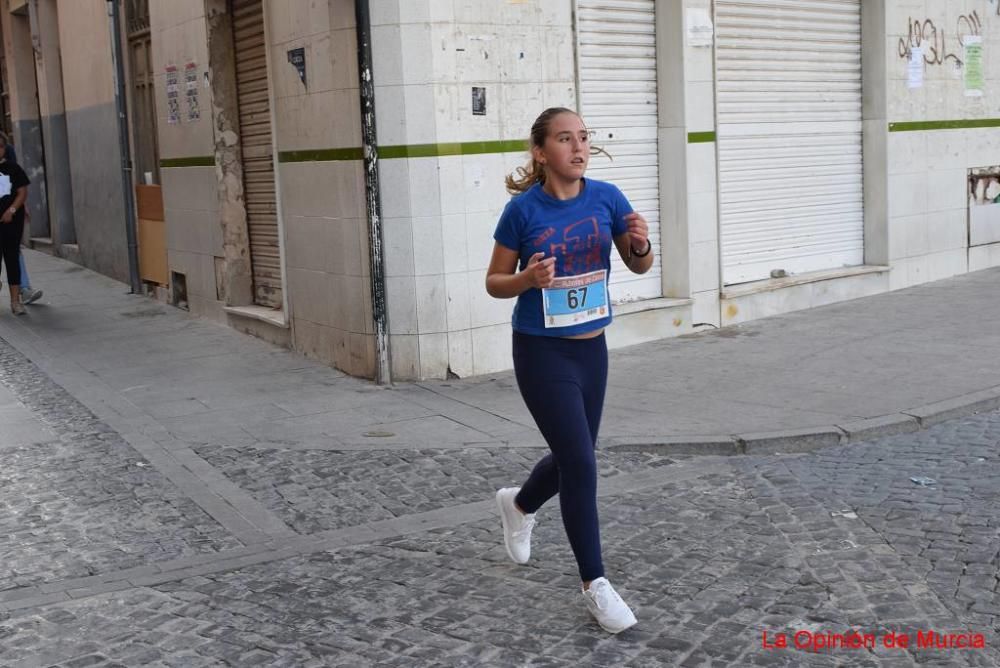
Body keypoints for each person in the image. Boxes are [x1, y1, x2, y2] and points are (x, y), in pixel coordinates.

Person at [485, 107, 655, 633]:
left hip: (592, 349)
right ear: (541, 152)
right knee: (580, 463)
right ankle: (595, 584)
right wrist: (528, 279)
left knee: (572, 456)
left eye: (583, 138)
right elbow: (494, 281)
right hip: (542, 352)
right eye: (565, 139)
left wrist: (643, 242)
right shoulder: (522, 211)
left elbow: (639, 263)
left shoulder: (607, 198)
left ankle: (519, 503)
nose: (579, 148)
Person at [0, 133, 41, 305]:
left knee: (13, 253)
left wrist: (16, 207)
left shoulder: (12, 166)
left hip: (10, 217)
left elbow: (20, 189)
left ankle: (20, 292)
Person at [0, 132, 29, 315]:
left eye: (0, 146)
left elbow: (22, 192)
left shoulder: (14, 168)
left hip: (10, 222)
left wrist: (11, 211)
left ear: (4, 149)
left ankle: (15, 301)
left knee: (12, 259)